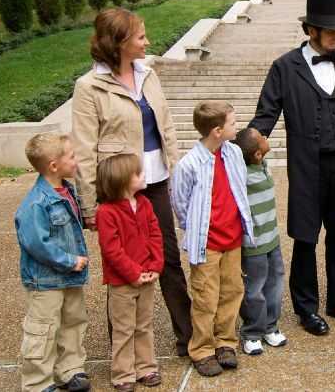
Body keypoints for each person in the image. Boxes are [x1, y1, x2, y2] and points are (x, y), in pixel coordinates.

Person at [249, 0, 335, 336]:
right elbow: (266, 115)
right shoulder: (284, 67)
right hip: (307, 166)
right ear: (311, 30)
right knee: (305, 236)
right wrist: (243, 147)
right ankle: (306, 308)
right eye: (330, 29)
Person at [72, 8, 192, 358]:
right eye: (140, 37)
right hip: (118, 191)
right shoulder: (89, 87)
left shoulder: (148, 75)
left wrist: (174, 173)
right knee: (122, 267)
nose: (147, 42)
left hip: (155, 182)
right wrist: (90, 206)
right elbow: (83, 150)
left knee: (167, 258)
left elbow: (166, 125)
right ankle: (123, 354)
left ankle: (189, 338)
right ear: (118, 43)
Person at [170, 100, 255, 378]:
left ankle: (225, 342)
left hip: (233, 239)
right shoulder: (189, 164)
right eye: (232, 123)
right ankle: (202, 349)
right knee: (206, 298)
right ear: (217, 130)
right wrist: (195, 228)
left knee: (232, 292)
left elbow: (239, 189)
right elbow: (180, 203)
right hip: (207, 243)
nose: (236, 127)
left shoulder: (233, 153)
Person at [15, 132, 91, 392]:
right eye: (71, 156)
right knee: (43, 330)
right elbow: (37, 244)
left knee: (73, 322)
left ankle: (70, 370)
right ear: (54, 166)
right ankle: (38, 382)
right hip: (46, 280)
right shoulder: (36, 203)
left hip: (70, 276)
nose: (76, 160)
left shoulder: (66, 190)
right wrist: (69, 261)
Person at [95, 154, 164, 392]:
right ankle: (123, 373)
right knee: (124, 329)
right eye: (139, 173)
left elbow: (155, 234)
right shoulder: (106, 212)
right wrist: (133, 273)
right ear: (123, 180)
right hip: (123, 282)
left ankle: (146, 367)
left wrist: (155, 265)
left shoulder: (144, 203)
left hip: (147, 276)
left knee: (144, 325)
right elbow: (111, 249)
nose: (144, 175)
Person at [233, 127, 288, 355]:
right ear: (256, 154)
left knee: (275, 282)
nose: (266, 137)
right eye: (261, 138)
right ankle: (252, 332)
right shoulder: (242, 176)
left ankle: (270, 326)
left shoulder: (263, 165)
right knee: (254, 288)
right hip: (254, 244)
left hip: (272, 239)